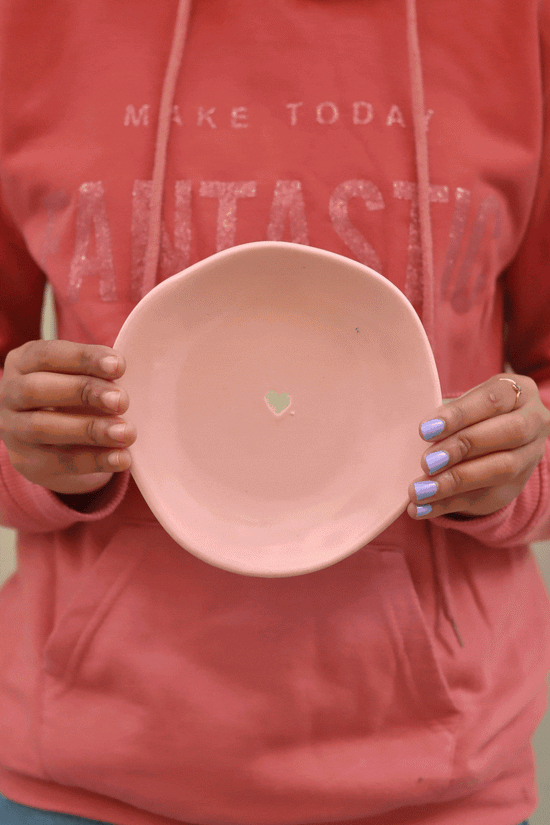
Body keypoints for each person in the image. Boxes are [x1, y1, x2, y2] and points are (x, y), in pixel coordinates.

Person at [0, 0, 548, 823]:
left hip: (438, 780)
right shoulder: (30, 24)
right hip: (84, 778)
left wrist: (517, 472)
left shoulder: (518, 23)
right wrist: (30, 456)